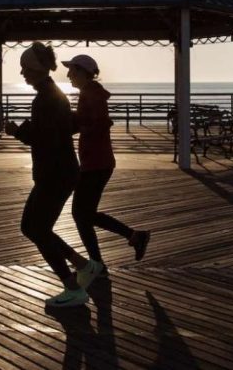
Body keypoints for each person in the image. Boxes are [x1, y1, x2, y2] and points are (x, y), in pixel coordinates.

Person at [4, 42, 88, 308]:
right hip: (60, 172)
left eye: (25, 69)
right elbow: (65, 128)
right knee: (34, 227)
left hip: (55, 174)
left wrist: (18, 131)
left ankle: (73, 286)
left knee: (35, 228)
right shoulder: (53, 95)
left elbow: (45, 138)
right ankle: (82, 265)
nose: (22, 74)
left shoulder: (45, 99)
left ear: (36, 69)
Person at [62, 54, 150, 290]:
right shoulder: (91, 92)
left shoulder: (91, 93)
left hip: (96, 163)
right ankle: (125, 243)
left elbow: (97, 123)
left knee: (81, 214)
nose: (68, 75)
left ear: (82, 72)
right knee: (84, 214)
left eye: (71, 70)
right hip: (96, 162)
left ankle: (102, 262)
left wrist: (75, 125)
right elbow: (92, 121)